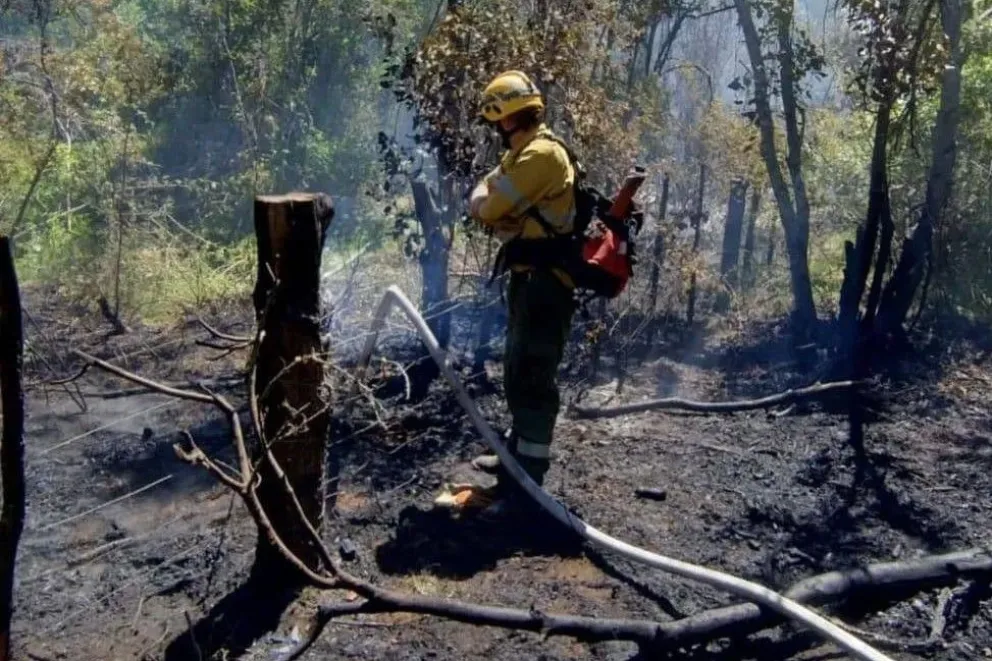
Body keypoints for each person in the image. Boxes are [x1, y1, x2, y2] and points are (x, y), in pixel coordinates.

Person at [466, 70, 577, 516]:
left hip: (547, 284)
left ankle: (529, 485)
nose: (496, 131)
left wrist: (490, 208)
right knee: (516, 367)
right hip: (529, 279)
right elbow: (488, 192)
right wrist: (490, 206)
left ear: (508, 118)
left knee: (533, 374)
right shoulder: (524, 153)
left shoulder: (541, 157)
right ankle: (516, 456)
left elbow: (489, 206)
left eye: (497, 122)